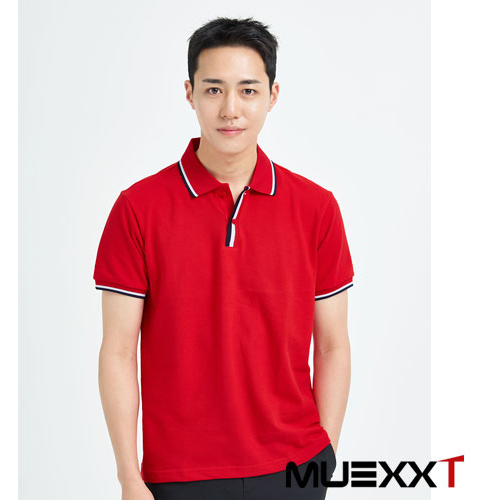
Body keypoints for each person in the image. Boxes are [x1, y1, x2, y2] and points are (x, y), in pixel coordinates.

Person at [93, 16, 355, 500]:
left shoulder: (317, 208)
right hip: (178, 474)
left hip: (295, 467)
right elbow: (118, 351)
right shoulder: (137, 209)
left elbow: (333, 344)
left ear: (272, 95)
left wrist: (325, 457)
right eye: (213, 90)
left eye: (248, 91)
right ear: (189, 93)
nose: (230, 109)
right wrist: (129, 477)